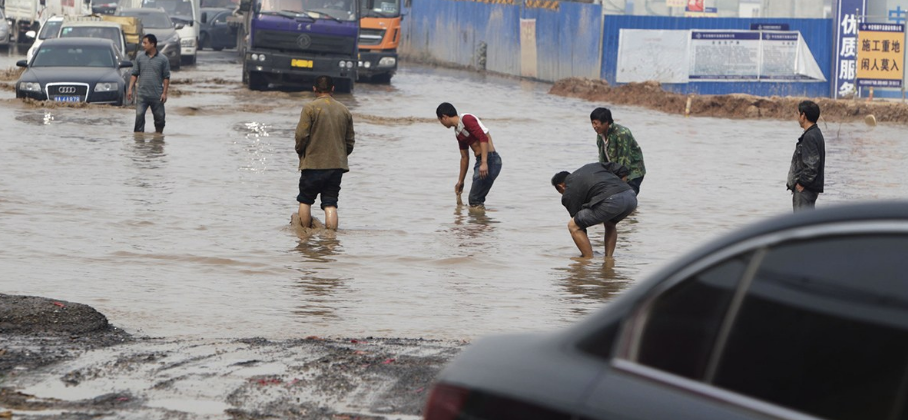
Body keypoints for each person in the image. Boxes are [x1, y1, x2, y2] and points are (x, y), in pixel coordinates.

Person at [294, 75, 355, 230]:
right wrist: (340, 156)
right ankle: (330, 240)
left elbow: (301, 136)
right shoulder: (344, 110)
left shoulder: (310, 108)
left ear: (314, 89)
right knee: (330, 203)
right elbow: (350, 142)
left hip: (313, 164)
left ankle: (304, 237)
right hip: (336, 166)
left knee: (305, 200)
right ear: (332, 89)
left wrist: (301, 151)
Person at [552, 162, 638, 258]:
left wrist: (583, 246)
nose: (563, 194)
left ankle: (588, 259)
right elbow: (622, 170)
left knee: (573, 226)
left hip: (611, 201)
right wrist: (619, 189)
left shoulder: (569, 192)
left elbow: (579, 225)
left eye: (561, 192)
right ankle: (608, 258)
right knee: (610, 224)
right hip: (631, 197)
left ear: (561, 186)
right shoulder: (591, 166)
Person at [436, 102, 502, 208]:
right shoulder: (458, 132)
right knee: (475, 200)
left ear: (444, 117)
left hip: (490, 160)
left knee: (475, 199)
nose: (442, 124)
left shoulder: (466, 119)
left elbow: (483, 138)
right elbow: (464, 157)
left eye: (440, 120)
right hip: (480, 162)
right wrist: (460, 181)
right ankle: (481, 222)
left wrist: (484, 162)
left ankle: (481, 222)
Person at [591, 107, 646, 195]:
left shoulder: (622, 134)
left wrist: (620, 186)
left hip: (633, 172)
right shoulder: (600, 135)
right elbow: (602, 160)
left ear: (606, 122)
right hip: (615, 172)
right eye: (592, 123)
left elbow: (624, 162)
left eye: (596, 123)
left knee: (626, 198)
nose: (594, 126)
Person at [127, 34, 170, 134]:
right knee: (139, 117)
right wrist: (130, 89)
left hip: (157, 95)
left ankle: (158, 139)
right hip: (142, 95)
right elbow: (134, 74)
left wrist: (164, 93)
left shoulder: (163, 59)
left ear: (152, 44)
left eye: (145, 43)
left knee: (160, 119)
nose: (143, 45)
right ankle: (139, 142)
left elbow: (166, 77)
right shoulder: (140, 58)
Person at [787, 100, 825, 211]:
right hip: (808, 189)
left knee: (801, 225)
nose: (797, 117)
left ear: (803, 115)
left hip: (805, 190)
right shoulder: (816, 133)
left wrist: (801, 183)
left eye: (798, 113)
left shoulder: (810, 136)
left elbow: (812, 166)